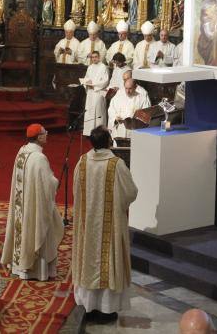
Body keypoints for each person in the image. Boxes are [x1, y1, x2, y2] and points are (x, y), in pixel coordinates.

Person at [72, 127, 138, 319]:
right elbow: (130, 192)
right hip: (110, 226)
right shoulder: (116, 164)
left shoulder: (82, 162)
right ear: (109, 141)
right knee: (108, 262)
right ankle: (107, 308)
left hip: (87, 225)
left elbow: (76, 191)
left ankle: (89, 304)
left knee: (88, 261)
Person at [1, 124, 64, 281]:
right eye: (45, 133)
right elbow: (47, 185)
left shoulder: (21, 152)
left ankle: (19, 265)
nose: (47, 134)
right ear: (39, 137)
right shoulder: (39, 158)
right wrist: (55, 181)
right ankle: (37, 271)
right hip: (34, 206)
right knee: (37, 229)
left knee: (23, 229)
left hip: (21, 204)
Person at [82, 51, 109, 136]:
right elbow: (86, 78)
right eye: (92, 57)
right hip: (90, 92)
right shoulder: (90, 67)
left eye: (95, 57)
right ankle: (89, 131)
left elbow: (105, 80)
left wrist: (94, 85)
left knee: (98, 111)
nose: (94, 59)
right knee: (89, 111)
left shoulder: (103, 67)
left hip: (98, 92)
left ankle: (99, 132)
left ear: (99, 57)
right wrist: (86, 82)